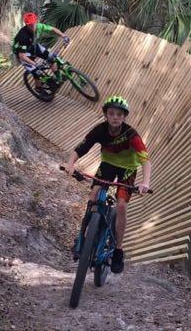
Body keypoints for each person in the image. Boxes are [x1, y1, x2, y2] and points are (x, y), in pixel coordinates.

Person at [64, 95, 152, 274]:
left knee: (121, 206)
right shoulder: (99, 130)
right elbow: (81, 148)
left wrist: (145, 182)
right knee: (94, 195)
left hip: (127, 169)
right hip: (108, 165)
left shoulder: (132, 135)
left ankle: (118, 250)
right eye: (111, 113)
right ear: (106, 115)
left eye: (119, 114)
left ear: (124, 116)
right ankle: (83, 237)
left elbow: (145, 161)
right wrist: (70, 164)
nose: (115, 117)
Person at [11, 12, 70, 92]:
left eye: (34, 24)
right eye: (30, 25)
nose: (33, 27)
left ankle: (58, 78)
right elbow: (22, 56)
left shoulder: (39, 26)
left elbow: (53, 29)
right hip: (23, 53)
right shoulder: (23, 36)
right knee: (37, 72)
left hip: (33, 46)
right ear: (26, 24)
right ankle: (38, 88)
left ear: (36, 22)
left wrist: (64, 36)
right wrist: (35, 64)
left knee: (51, 58)